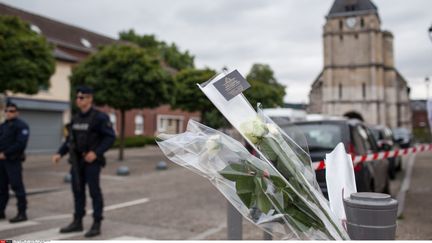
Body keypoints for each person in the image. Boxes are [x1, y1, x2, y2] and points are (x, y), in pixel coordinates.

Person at [52, 86, 115, 238]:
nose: (78, 100)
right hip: (76, 161)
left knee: (94, 192)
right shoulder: (76, 118)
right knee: (77, 191)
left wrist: (96, 152)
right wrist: (59, 153)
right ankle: (77, 221)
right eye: (77, 97)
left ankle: (96, 223)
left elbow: (110, 137)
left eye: (82, 97)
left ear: (90, 99)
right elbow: (70, 140)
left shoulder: (100, 118)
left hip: (92, 161)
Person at [0, 102, 30, 223]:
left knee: (17, 187)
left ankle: (22, 213)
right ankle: (0, 211)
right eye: (7, 111)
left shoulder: (22, 126)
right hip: (1, 162)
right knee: (1, 188)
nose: (8, 113)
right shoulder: (3, 126)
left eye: (12, 111)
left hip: (13, 161)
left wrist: (5, 153)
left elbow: (20, 144)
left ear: (17, 113)